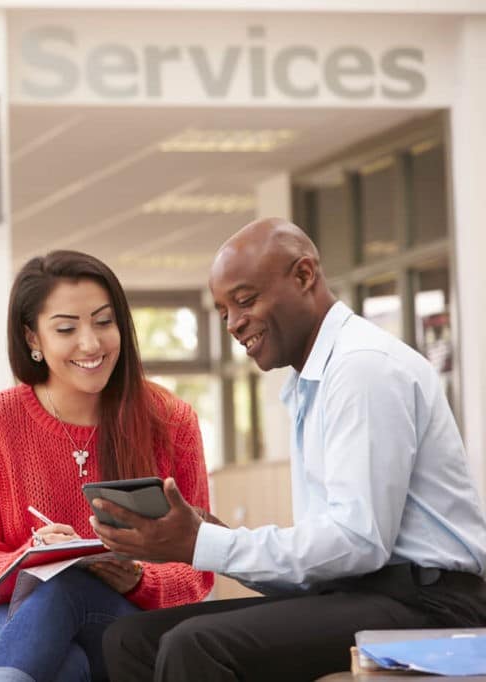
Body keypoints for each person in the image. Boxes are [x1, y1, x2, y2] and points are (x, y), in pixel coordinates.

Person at [95, 218, 486, 682]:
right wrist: (205, 540)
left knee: (195, 644)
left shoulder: (362, 368)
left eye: (244, 301)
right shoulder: (311, 382)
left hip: (433, 605)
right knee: (130, 639)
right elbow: (332, 559)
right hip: (361, 592)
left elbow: (358, 542)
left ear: (303, 276)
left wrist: (205, 544)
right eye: (223, 313)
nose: (235, 324)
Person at [0, 250, 214, 682]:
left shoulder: (169, 419)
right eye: (66, 328)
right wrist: (32, 557)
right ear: (32, 338)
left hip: (122, 621)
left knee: (67, 588)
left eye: (103, 321)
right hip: (10, 616)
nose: (91, 343)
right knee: (66, 665)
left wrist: (134, 578)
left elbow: (197, 568)